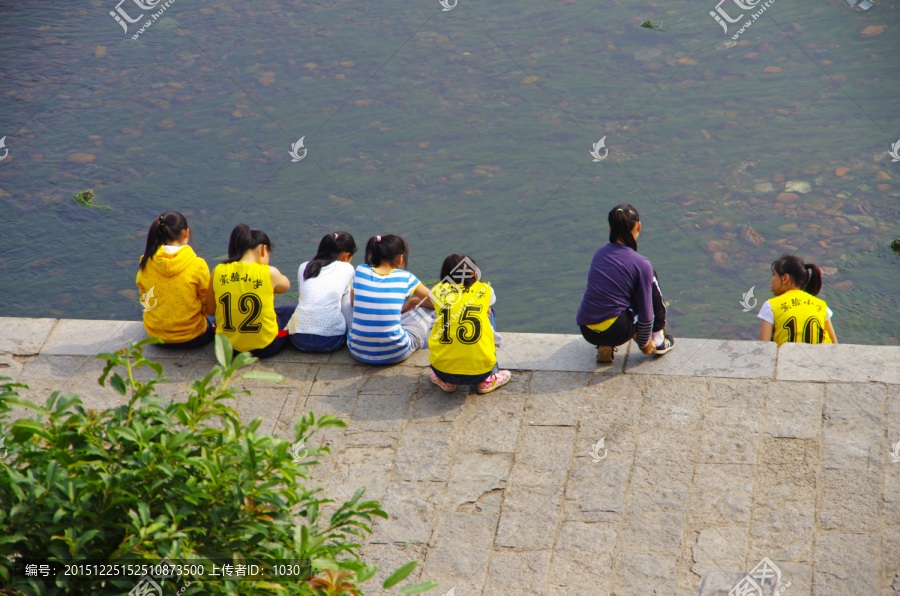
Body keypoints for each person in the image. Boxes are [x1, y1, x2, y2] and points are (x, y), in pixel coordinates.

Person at [576, 204, 675, 362]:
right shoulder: (641, 263)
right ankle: (659, 339)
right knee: (650, 278)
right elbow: (646, 315)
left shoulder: (599, 254)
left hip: (587, 330)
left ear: (610, 229)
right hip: (617, 331)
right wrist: (643, 344)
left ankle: (604, 344)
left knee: (615, 295)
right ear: (638, 226)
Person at [427, 254, 511, 394]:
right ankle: (489, 378)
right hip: (481, 372)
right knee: (488, 311)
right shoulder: (486, 290)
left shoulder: (436, 291)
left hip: (443, 370)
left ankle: (446, 382)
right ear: (474, 273)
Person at [207, 224, 293, 357]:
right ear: (264, 249)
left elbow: (211, 310)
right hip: (266, 347)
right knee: (289, 311)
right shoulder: (269, 273)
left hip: (229, 348)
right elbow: (286, 286)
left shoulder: (218, 271)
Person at [347, 234, 435, 364]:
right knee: (429, 311)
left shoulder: (360, 270)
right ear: (400, 258)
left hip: (357, 349)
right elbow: (437, 302)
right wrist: (414, 301)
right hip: (395, 352)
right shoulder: (406, 277)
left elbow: (354, 303)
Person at [136, 211, 215, 348]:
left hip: (156, 337)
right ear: (186, 233)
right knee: (216, 318)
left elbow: (144, 298)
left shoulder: (146, 261)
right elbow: (207, 306)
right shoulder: (198, 264)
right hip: (192, 338)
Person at [286, 232, 357, 352]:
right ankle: (352, 333)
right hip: (329, 341)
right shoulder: (347, 268)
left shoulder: (304, 266)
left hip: (298, 339)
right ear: (346, 256)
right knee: (346, 296)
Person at [758, 254, 837, 346]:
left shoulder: (771, 305)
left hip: (788, 358)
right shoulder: (821, 305)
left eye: (774, 275)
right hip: (819, 358)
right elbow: (835, 345)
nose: (771, 280)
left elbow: (764, 347)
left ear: (785, 278)